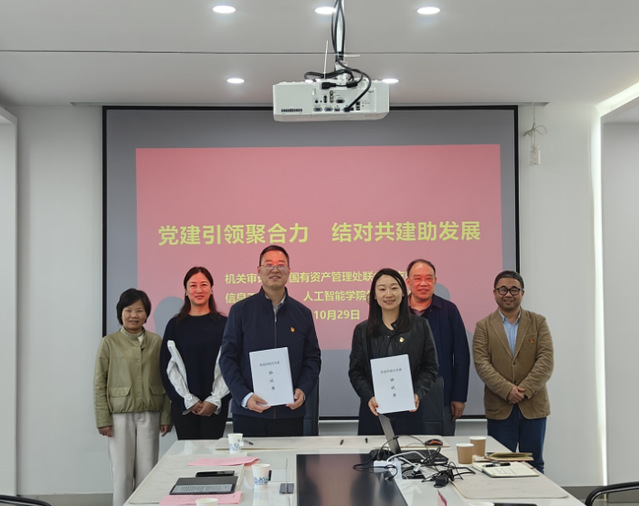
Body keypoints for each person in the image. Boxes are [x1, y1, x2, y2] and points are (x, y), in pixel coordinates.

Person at [220, 245, 322, 437]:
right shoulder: (240, 311)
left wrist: (303, 389)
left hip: (289, 413)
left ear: (289, 271)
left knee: (290, 458)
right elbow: (227, 359)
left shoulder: (302, 314)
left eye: (280, 264)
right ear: (259, 270)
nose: (275, 269)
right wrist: (244, 396)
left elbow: (312, 359)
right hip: (250, 413)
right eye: (269, 264)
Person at [93, 288, 172, 506]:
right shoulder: (109, 343)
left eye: (139, 310)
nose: (134, 315)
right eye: (128, 310)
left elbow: (167, 380)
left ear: (146, 314)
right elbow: (99, 383)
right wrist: (102, 419)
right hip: (119, 417)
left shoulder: (157, 342)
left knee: (148, 472)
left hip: (150, 413)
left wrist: (167, 415)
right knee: (122, 476)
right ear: (120, 313)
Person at [473, 270, 554, 473]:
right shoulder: (483, 326)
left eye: (514, 290)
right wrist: (508, 390)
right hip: (500, 406)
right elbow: (482, 363)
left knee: (534, 464)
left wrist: (523, 390)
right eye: (503, 289)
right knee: (500, 465)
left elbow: (546, 360)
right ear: (494, 293)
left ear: (522, 293)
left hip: (533, 405)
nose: (508, 294)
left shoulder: (538, 322)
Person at [349, 268, 439, 435]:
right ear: (374, 295)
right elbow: (356, 371)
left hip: (410, 412)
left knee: (411, 451)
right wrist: (369, 396)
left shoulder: (420, 326)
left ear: (403, 292)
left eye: (394, 288)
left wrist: (417, 393)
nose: (388, 294)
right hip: (374, 413)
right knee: (372, 452)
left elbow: (430, 367)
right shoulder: (362, 330)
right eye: (382, 289)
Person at [159, 266, 230, 439]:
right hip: (184, 407)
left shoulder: (225, 324)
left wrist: (216, 399)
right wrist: (187, 400)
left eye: (204, 285)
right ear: (185, 290)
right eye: (193, 285)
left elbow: (231, 365)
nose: (199, 290)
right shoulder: (175, 326)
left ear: (211, 289)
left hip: (215, 406)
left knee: (212, 455)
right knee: (187, 454)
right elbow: (168, 367)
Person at [406, 259, 470, 435]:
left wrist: (459, 397)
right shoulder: (397, 310)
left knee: (441, 447)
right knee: (405, 446)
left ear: (435, 281)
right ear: (408, 282)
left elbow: (462, 356)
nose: (423, 283)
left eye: (428, 278)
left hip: (442, 396)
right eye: (418, 278)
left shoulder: (449, 310)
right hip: (404, 395)